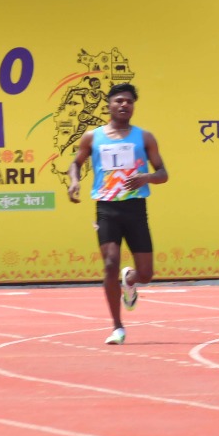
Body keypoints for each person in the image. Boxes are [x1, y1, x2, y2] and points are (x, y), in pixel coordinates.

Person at [64, 82, 169, 345]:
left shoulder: (144, 137)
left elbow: (163, 173)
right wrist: (74, 182)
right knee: (110, 263)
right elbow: (74, 164)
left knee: (146, 274)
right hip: (107, 207)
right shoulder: (92, 136)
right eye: (119, 101)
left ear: (133, 107)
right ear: (109, 105)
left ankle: (130, 279)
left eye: (129, 102)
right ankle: (117, 327)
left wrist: (147, 177)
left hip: (135, 208)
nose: (124, 105)